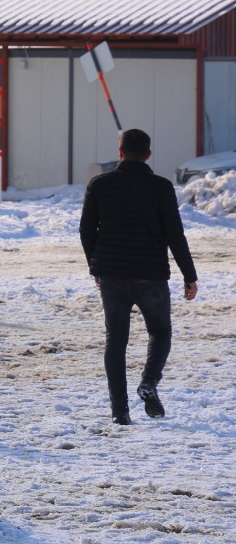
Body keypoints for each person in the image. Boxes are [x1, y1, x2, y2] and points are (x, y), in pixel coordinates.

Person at [79, 128, 198, 425]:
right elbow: (175, 234)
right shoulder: (161, 187)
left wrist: (96, 266)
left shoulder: (99, 184)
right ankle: (148, 383)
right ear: (148, 155)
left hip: (112, 276)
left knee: (115, 341)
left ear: (120, 152)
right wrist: (189, 275)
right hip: (151, 277)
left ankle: (120, 413)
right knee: (160, 332)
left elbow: (86, 231)